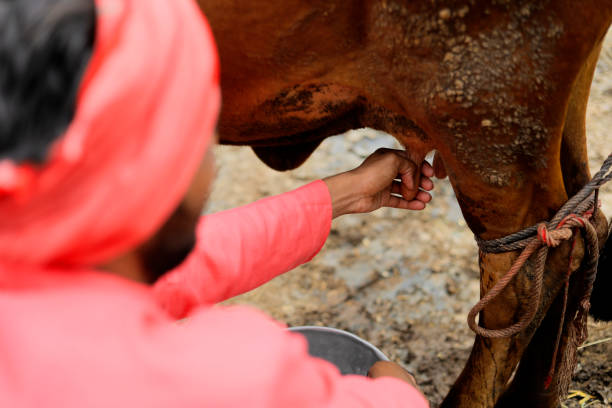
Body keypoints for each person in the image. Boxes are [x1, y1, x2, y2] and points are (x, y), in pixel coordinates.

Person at [0, 0, 434, 406]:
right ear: (149, 172)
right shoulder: (228, 380)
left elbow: (182, 272)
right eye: (201, 133)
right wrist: (397, 389)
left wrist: (343, 194)